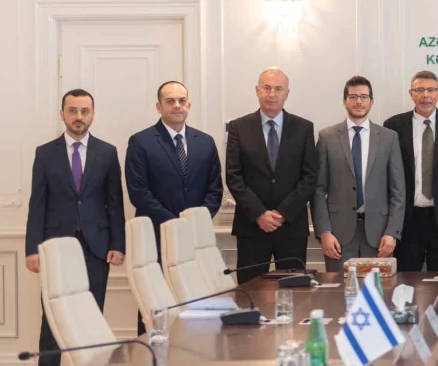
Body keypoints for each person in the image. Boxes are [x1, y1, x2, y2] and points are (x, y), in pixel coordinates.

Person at [25, 89, 125, 366]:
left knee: (92, 313)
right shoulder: (45, 153)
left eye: (84, 111)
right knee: (53, 313)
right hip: (56, 247)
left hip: (97, 244)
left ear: (92, 114)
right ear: (62, 114)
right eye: (73, 111)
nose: (78, 117)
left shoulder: (107, 152)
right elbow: (37, 204)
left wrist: (118, 243)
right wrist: (32, 248)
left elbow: (115, 203)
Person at [124, 81, 223, 333]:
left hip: (194, 240)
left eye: (181, 101)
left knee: (193, 301)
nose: (177, 106)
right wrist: (175, 224)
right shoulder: (140, 142)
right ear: (159, 106)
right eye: (170, 101)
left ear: (189, 105)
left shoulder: (206, 142)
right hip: (156, 238)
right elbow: (139, 193)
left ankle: (190, 359)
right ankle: (148, 363)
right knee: (153, 303)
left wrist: (195, 222)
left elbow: (215, 190)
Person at [226, 68, 318, 284]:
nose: (272, 94)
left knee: (294, 294)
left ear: (287, 93)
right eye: (266, 88)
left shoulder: (303, 127)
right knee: (251, 292)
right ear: (257, 90)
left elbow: (310, 176)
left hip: (291, 228)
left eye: (278, 89)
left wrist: (281, 213)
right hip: (251, 227)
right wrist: (259, 214)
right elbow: (233, 175)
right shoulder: (239, 127)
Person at [312, 76, 405, 271]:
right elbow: (318, 190)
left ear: (372, 101)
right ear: (344, 101)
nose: (359, 101)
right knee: (339, 297)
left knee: (379, 294)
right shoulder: (327, 137)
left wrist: (392, 232)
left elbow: (398, 191)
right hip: (338, 235)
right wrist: (324, 232)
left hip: (380, 235)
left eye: (364, 96)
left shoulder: (388, 138)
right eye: (353, 96)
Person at [383, 71, 438, 272]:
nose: (425, 95)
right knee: (404, 284)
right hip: (406, 221)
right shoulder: (393, 126)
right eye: (419, 90)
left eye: (431, 90)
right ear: (411, 93)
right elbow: (386, 178)